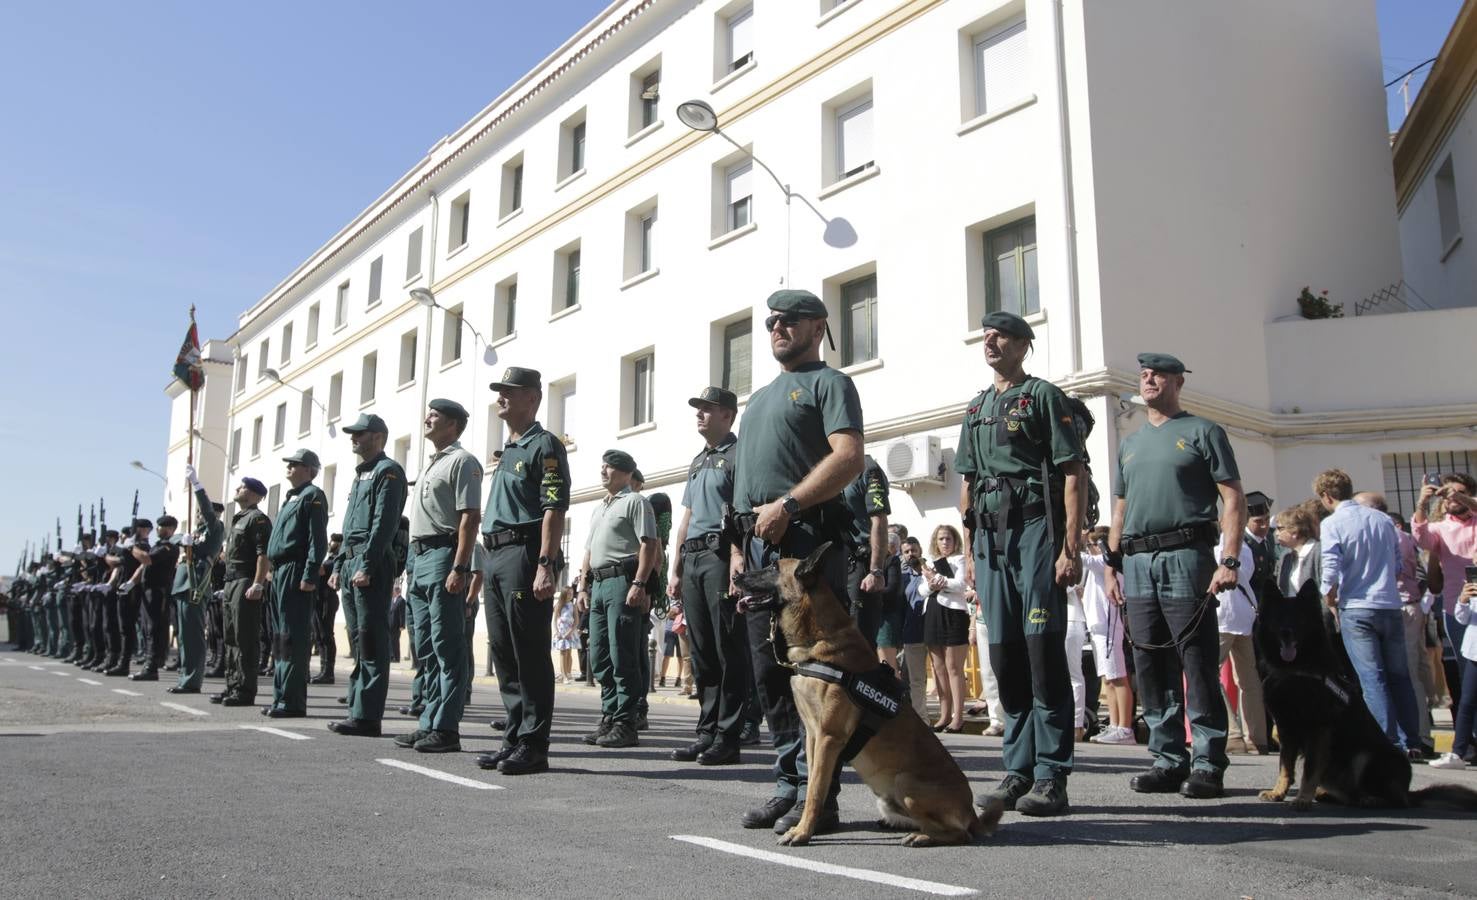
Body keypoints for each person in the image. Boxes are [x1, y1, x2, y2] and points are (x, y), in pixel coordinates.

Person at [729, 289, 864, 836]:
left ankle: (819, 798)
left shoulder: (830, 383)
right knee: (769, 672)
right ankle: (790, 784)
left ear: (818, 327)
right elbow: (743, 485)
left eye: (790, 320)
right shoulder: (758, 398)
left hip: (806, 546)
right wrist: (738, 547)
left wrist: (789, 504)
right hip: (758, 547)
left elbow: (849, 456)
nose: (778, 328)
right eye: (771, 321)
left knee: (811, 674)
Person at [957, 311, 1086, 817]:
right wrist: (968, 553)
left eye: (1002, 335)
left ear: (1023, 346)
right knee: (1005, 658)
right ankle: (1018, 769)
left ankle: (1052, 775)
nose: (991, 342)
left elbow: (1071, 473)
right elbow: (966, 481)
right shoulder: (976, 408)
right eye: (986, 335)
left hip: (1035, 533)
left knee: (1042, 656)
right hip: (989, 542)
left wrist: (1068, 548)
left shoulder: (1042, 397)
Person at [1104, 352, 1245, 800]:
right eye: (1144, 374)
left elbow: (1233, 499)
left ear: (1178, 382)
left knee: (1196, 660)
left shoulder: (1204, 432)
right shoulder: (1130, 443)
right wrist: (1112, 566)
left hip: (1188, 554)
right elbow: (1120, 511)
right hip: (1139, 562)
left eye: (1158, 374)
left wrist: (1230, 560)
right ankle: (1167, 760)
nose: (1148, 379)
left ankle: (1207, 762)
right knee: (1148, 662)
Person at [476, 367, 570, 775]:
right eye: (500, 392)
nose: (501, 399)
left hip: (524, 553)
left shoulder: (544, 445)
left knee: (528, 650)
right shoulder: (508, 449)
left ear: (532, 398)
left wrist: (546, 564)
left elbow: (553, 507)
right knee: (504, 651)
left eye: (509, 393)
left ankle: (535, 743)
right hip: (495, 555)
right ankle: (514, 737)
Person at [393, 400, 483, 754]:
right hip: (419, 558)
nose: (427, 418)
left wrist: (460, 567)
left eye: (435, 416)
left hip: (444, 555)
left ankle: (447, 728)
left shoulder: (463, 462)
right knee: (425, 647)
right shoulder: (434, 463)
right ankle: (429, 721)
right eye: (428, 413)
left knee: (448, 646)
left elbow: (469, 518)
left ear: (453, 425)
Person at [1316, 468, 1423, 757]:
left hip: (1356, 605)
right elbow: (1399, 563)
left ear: (1326, 496)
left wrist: (1328, 595)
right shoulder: (1383, 520)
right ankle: (1412, 739)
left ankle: (1388, 742)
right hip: (1389, 602)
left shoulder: (1332, 523)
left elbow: (1330, 566)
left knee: (1371, 676)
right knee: (1399, 675)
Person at [668, 385, 748, 766]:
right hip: (694, 559)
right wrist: (675, 566)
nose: (699, 414)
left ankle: (728, 734)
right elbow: (685, 518)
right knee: (700, 652)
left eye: (708, 409)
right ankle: (707, 731)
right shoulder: (698, 460)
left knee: (726, 647)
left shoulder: (738, 455)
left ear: (728, 415)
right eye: (698, 408)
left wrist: (737, 557)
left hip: (719, 555)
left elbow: (743, 511)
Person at [328, 413, 408, 737]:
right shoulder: (361, 474)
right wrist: (337, 566)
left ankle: (367, 716)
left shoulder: (388, 472)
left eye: (359, 434)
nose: (353, 439)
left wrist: (368, 565)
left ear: (378, 437)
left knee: (372, 640)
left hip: (369, 561)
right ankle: (357, 708)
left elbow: (383, 524)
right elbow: (349, 526)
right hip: (350, 560)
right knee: (358, 639)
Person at [575, 449, 660, 750]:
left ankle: (627, 721)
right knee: (599, 656)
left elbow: (649, 545)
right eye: (602, 466)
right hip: (598, 584)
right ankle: (609, 715)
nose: (603, 471)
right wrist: (583, 587)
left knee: (622, 654)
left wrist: (640, 583)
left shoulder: (635, 502)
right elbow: (587, 552)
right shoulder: (600, 508)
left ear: (625, 473)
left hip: (621, 582)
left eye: (609, 467)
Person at [261, 448, 329, 719]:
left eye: (296, 464)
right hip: (279, 572)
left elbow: (317, 539)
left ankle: (291, 702)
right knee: (280, 638)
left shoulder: (312, 496)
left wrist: (310, 574)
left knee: (292, 637)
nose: (289, 467)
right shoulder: (291, 498)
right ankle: (280, 697)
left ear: (310, 470)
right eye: (289, 463)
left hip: (295, 570)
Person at [1412, 474, 1477, 690]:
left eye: (1460, 493)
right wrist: (1422, 501)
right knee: (1466, 671)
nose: (1453, 499)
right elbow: (1421, 538)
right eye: (1449, 495)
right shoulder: (1440, 528)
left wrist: (1458, 495)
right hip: (1457, 608)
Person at [168, 469, 225, 695]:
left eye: (204, 511)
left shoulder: (215, 528)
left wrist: (197, 485)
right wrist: (181, 539)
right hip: (183, 585)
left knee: (193, 636)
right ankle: (185, 676)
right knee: (184, 636)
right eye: (200, 512)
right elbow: (170, 538)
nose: (201, 514)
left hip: (196, 586)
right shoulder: (196, 531)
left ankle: (192, 680)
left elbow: (210, 514)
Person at [1081, 528, 1134, 744]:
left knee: (1118, 677)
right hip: (1097, 627)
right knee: (1108, 679)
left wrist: (1082, 536)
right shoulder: (1100, 567)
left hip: (1109, 626)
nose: (1090, 550)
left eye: (1092, 545)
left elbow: (1081, 557)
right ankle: (1114, 724)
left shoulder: (1105, 563)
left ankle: (1125, 727)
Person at [1213, 530, 1263, 754]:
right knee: (1248, 679)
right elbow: (1249, 573)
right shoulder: (1245, 548)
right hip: (1244, 614)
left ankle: (1232, 733)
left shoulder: (1215, 549)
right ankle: (1255, 737)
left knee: (1209, 674)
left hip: (1222, 614)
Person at [921, 525, 970, 733]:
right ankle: (944, 715)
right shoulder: (930, 563)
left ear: (955, 540)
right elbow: (922, 589)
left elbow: (961, 585)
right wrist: (932, 584)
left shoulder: (960, 560)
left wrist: (941, 580)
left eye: (948, 539)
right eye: (941, 539)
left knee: (953, 668)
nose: (944, 543)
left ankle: (958, 718)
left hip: (953, 614)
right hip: (933, 612)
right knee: (938, 668)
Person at [841, 455, 891, 649]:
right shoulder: (826, 466)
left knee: (858, 641)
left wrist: (876, 571)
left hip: (860, 565)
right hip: (836, 563)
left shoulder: (868, 469)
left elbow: (879, 520)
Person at [1430, 578, 1477, 769]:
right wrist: (1464, 600)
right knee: (1466, 703)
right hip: (1473, 651)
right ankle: (1458, 753)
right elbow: (1461, 618)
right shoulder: (1472, 585)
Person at [130, 516, 179, 681]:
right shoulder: (158, 546)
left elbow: (146, 559)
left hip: (159, 592)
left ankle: (152, 666)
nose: (158, 529)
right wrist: (131, 583)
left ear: (170, 528)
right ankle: (150, 663)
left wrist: (133, 547)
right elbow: (144, 566)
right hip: (148, 590)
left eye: (161, 526)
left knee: (154, 629)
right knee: (146, 628)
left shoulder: (168, 547)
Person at [899, 536, 930, 718]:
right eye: (907, 552)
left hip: (934, 629)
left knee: (943, 677)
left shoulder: (931, 570)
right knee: (916, 679)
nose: (911, 554)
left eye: (914, 550)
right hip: (912, 632)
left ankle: (948, 717)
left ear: (920, 551)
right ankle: (922, 718)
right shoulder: (903, 578)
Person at [311, 533, 343, 684]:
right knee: (319, 635)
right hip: (319, 598)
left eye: (334, 541)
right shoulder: (329, 559)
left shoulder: (336, 560)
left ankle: (328, 672)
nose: (331, 543)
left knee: (326, 635)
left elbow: (320, 570)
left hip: (327, 599)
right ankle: (323, 670)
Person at [876, 532, 906, 676]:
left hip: (887, 617)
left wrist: (872, 593)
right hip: (875, 617)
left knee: (887, 664)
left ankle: (896, 697)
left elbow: (892, 589)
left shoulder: (892, 561)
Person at [552, 589, 579, 683]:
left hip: (570, 632)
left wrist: (571, 632)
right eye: (568, 593)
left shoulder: (573, 606)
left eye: (572, 593)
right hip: (561, 632)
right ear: (563, 594)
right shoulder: (558, 605)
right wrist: (556, 631)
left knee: (569, 653)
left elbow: (576, 621)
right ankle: (563, 676)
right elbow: (555, 620)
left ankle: (568, 672)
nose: (571, 595)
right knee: (563, 653)